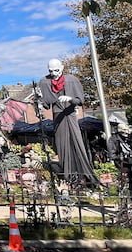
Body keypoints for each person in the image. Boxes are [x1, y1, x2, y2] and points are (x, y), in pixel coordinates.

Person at [37, 58, 98, 188]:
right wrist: (39, 101)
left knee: (77, 142)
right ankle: (68, 176)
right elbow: (46, 104)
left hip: (70, 114)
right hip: (57, 116)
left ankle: (85, 176)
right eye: (51, 70)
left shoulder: (71, 79)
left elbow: (80, 100)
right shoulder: (44, 82)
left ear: (62, 67)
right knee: (61, 145)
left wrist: (70, 99)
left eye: (56, 70)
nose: (54, 73)